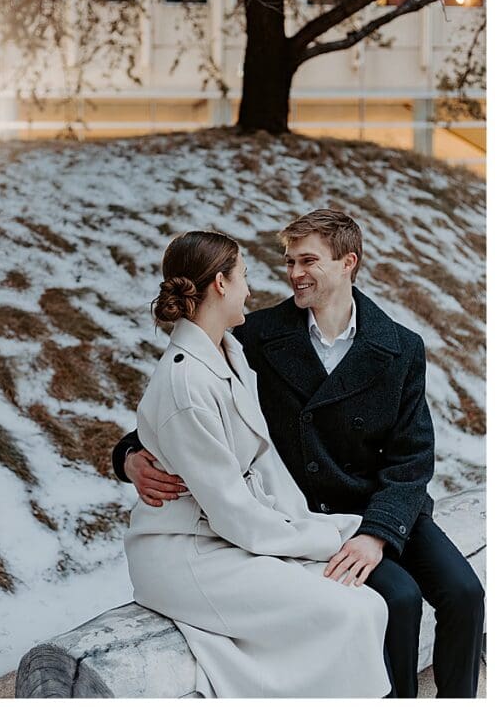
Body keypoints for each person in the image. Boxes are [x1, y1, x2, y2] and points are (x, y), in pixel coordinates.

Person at [113, 210, 484, 698]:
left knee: (466, 593)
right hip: (301, 509)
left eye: (308, 260)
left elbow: (412, 459)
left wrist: (377, 533)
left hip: (379, 508)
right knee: (398, 597)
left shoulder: (400, 347)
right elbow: (185, 406)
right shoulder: (252, 337)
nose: (293, 273)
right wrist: (129, 455)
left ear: (348, 262)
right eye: (289, 261)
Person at [123, 229, 389, 697]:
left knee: (369, 606)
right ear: (221, 285)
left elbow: (262, 469)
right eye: (244, 275)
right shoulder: (186, 385)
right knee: (348, 612)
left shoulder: (231, 353)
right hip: (186, 551)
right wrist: (323, 539)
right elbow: (232, 513)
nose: (251, 287)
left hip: (232, 533)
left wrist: (319, 527)